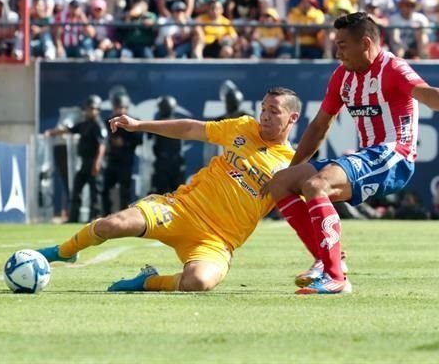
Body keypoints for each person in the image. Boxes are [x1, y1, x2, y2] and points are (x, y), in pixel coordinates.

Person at [261, 12, 439, 295]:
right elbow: (320, 125)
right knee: (279, 183)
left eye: (343, 45)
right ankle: (329, 263)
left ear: (365, 43)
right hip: (369, 155)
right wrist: (291, 171)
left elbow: (425, 92)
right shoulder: (342, 77)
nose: (337, 52)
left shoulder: (393, 68)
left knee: (316, 185)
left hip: (394, 156)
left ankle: (336, 278)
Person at [36, 87, 300, 292]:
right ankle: (64, 251)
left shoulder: (292, 164)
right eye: (264, 108)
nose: (265, 115)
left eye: (274, 111)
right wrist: (140, 124)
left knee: (198, 282)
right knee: (110, 225)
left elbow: (309, 210)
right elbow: (189, 128)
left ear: (293, 117)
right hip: (180, 209)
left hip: (217, 240)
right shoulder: (242, 126)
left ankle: (147, 282)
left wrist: (328, 251)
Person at [44, 95, 106, 222]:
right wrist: (52, 132)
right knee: (76, 190)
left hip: (94, 163)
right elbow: (69, 130)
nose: (91, 111)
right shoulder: (84, 124)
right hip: (84, 163)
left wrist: (97, 163)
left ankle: (95, 218)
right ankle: (73, 218)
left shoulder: (99, 126)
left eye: (94, 109)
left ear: (98, 110)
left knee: (95, 193)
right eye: (90, 108)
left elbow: (102, 146)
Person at [101, 92, 142, 215]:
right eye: (117, 107)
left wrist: (124, 143)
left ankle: (125, 216)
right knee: (105, 189)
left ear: (127, 107)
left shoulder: (133, 122)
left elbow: (138, 140)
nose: (120, 110)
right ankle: (105, 215)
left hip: (126, 161)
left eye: (122, 107)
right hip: (111, 161)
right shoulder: (107, 122)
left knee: (125, 191)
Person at [151, 95, 185, 194]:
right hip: (169, 164)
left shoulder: (157, 125)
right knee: (173, 194)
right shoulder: (179, 124)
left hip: (169, 164)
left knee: (168, 194)